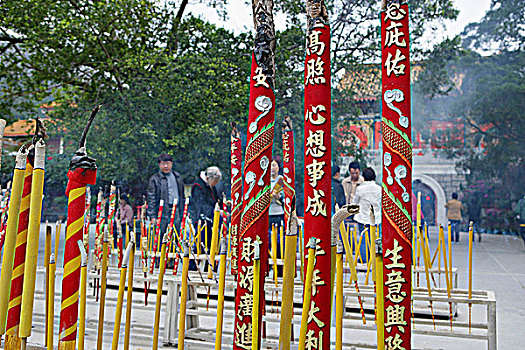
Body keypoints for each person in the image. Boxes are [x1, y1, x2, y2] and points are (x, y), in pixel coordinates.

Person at [146, 154, 185, 243]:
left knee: (177, 235)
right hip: (162, 212)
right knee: (162, 237)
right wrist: (152, 216)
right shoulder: (154, 179)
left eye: (168, 163)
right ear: (159, 165)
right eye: (163, 164)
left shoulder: (177, 177)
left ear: (172, 164)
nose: (166, 166)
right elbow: (151, 198)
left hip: (177, 211)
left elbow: (182, 195)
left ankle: (175, 256)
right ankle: (160, 256)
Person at [353, 167, 381, 263]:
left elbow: (355, 202)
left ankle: (364, 260)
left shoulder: (360, 189)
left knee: (363, 239)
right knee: (376, 238)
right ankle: (377, 259)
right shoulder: (379, 189)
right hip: (376, 218)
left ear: (363, 177)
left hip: (363, 218)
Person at [189, 166, 222, 249]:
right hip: (201, 219)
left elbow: (216, 199)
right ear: (208, 179)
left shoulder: (210, 186)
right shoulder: (198, 186)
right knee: (200, 246)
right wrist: (215, 211)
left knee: (214, 246)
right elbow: (202, 205)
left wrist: (223, 205)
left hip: (211, 219)